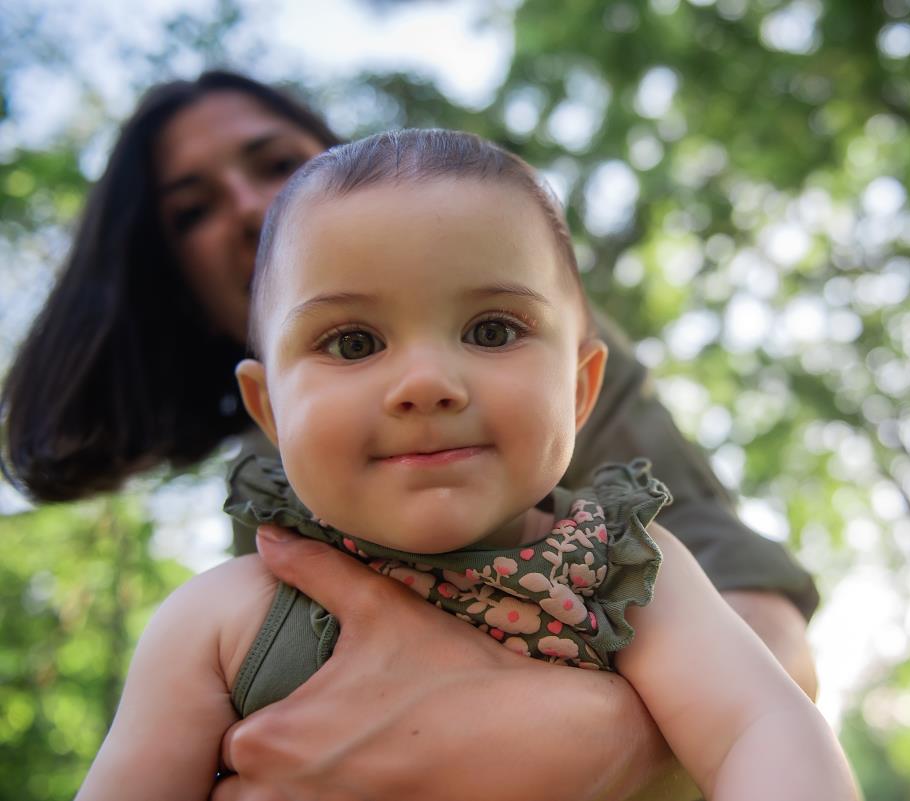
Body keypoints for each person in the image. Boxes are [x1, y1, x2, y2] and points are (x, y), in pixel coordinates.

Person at [2, 72, 821, 800]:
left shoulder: (629, 574)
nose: (426, 380)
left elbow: (768, 723)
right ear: (270, 410)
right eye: (352, 342)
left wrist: (582, 744)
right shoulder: (215, 623)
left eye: (493, 330)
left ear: (578, 386)